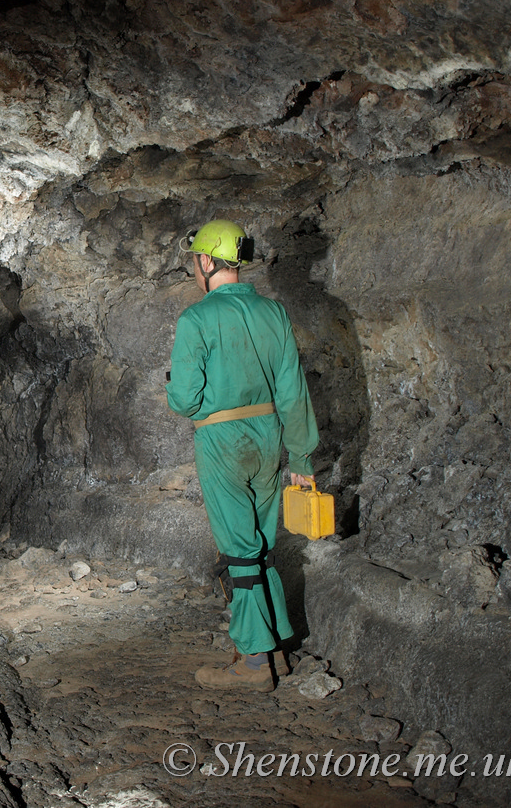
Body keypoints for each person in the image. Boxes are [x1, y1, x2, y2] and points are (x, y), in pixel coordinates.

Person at [165, 219, 319, 692]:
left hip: (222, 439)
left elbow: (186, 401)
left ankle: (253, 662)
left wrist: (174, 386)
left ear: (207, 261)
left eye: (195, 260)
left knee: (238, 550)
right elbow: (294, 392)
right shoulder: (273, 314)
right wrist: (303, 461)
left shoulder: (195, 319)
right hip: (269, 436)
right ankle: (275, 646)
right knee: (262, 546)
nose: (195, 268)